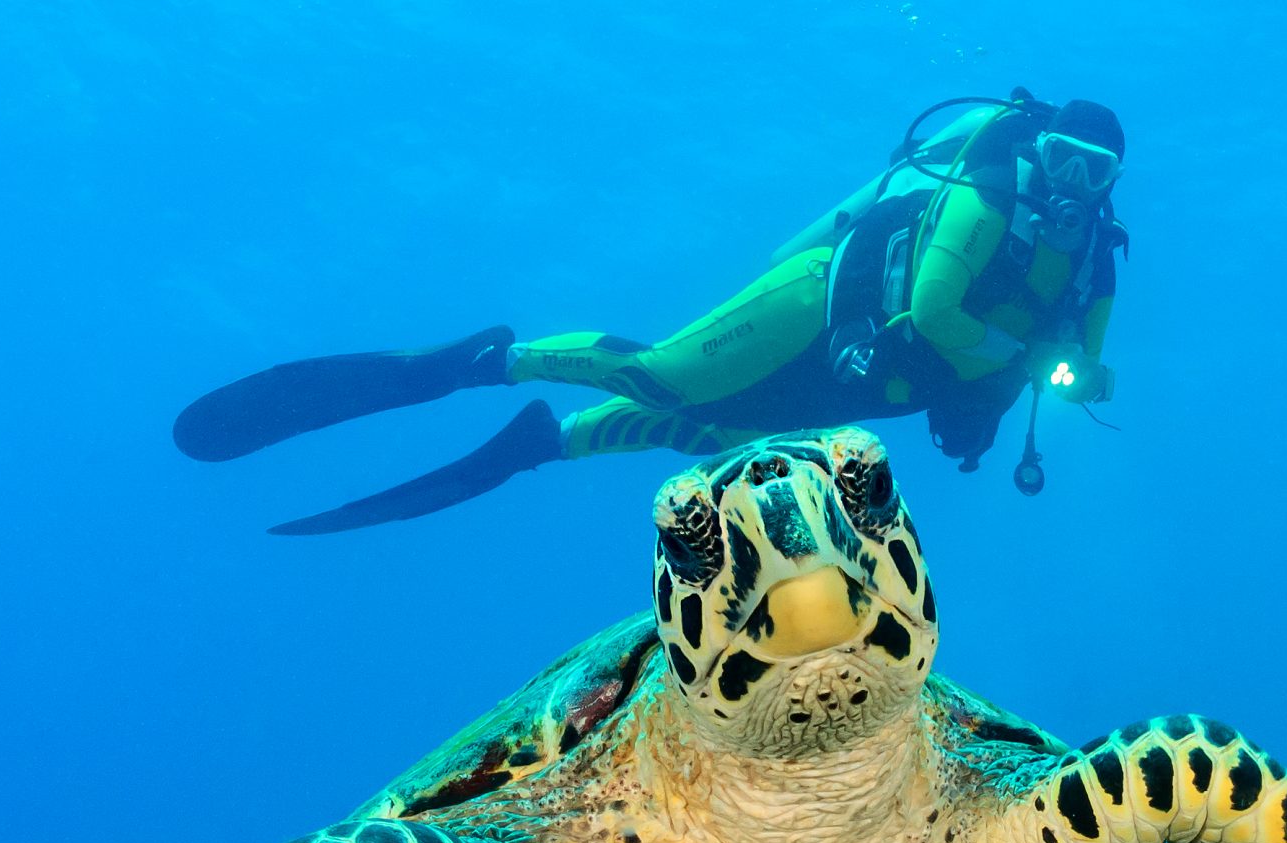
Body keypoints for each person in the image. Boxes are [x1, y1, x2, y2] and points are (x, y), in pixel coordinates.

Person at [174, 91, 1127, 530]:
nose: (1073, 188)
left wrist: (1076, 375)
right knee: (667, 377)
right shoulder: (986, 197)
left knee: (713, 434)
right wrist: (1019, 356)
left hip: (878, 378)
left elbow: (1089, 369)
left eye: (1096, 175)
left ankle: (542, 444)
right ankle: (484, 361)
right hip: (823, 308)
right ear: (1037, 150)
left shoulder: (1093, 261)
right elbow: (933, 306)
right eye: (1065, 162)